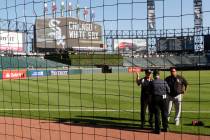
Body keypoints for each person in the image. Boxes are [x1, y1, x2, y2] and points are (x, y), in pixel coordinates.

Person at [150, 70, 170, 134]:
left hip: (156, 98)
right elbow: (168, 90)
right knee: (165, 113)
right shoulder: (164, 81)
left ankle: (158, 130)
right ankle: (166, 127)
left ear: (154, 75)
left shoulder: (152, 82)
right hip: (164, 98)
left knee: (157, 114)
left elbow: (148, 91)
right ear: (159, 74)